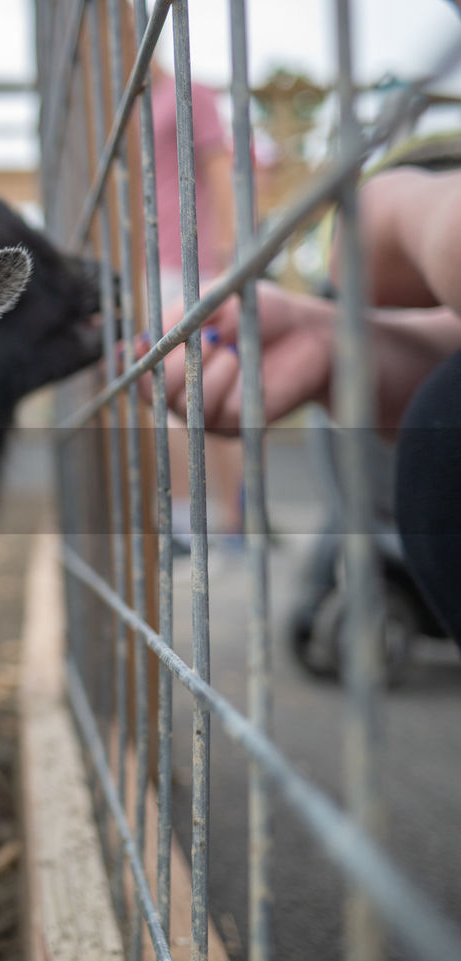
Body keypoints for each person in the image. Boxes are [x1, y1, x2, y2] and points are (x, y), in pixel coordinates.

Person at [139, 166, 461, 647]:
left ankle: (238, 521)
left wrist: (399, 204)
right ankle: (214, 522)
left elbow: (359, 257)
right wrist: (330, 341)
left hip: (194, 259)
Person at [150, 62, 245, 543]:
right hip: (156, 269)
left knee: (213, 389)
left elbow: (218, 169)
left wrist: (228, 259)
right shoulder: (137, 105)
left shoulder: (191, 93)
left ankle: (238, 515)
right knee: (173, 399)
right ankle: (189, 520)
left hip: (197, 267)